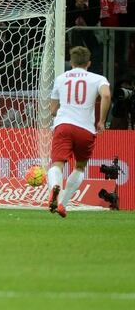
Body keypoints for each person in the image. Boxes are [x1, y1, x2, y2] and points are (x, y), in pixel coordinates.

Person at [46, 46, 111, 218]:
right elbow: (106, 95)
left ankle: (54, 187)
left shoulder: (61, 78)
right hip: (85, 129)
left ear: (71, 62)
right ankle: (63, 204)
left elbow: (53, 110)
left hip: (64, 126)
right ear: (89, 63)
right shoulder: (98, 78)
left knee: (57, 164)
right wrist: (102, 120)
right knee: (80, 167)